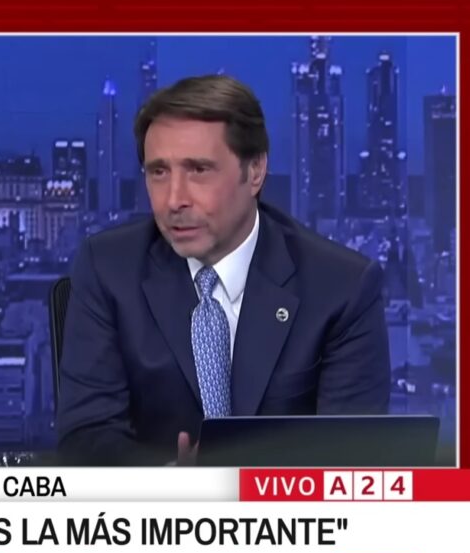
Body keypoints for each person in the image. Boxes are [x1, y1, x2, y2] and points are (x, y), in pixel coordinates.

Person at [56, 75, 389, 466]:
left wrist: (235, 487)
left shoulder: (342, 288)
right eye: (158, 172)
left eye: (199, 170)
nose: (174, 200)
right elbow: (86, 435)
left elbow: (350, 461)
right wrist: (170, 483)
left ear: (255, 171)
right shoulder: (108, 268)